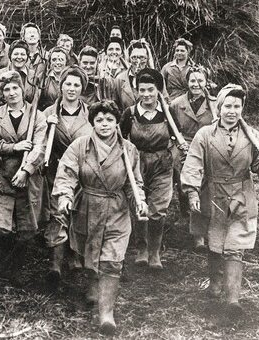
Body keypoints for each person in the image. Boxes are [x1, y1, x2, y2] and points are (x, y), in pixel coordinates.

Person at [181, 84, 259, 320]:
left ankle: (233, 299)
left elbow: (257, 163)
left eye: (237, 106)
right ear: (219, 107)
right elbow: (193, 164)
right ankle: (215, 282)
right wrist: (192, 192)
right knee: (215, 244)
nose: (232, 111)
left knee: (235, 249)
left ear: (242, 108)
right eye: (228, 106)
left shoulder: (252, 135)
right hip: (213, 194)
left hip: (241, 195)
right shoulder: (205, 135)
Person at [52, 99, 147, 335]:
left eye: (110, 120)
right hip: (87, 208)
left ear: (117, 123)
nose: (104, 124)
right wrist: (64, 196)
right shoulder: (80, 146)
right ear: (92, 122)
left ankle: (106, 314)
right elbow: (67, 173)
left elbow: (134, 184)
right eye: (99, 120)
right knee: (89, 253)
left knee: (112, 261)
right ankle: (92, 283)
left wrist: (140, 201)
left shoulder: (129, 150)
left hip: (116, 209)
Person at [0, 71, 47, 287]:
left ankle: (14, 271)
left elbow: (40, 146)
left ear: (23, 89)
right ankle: (3, 268)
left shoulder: (37, 115)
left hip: (28, 177)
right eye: (6, 89)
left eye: (15, 88)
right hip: (2, 175)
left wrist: (26, 170)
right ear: (2, 93)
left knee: (27, 229)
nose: (11, 92)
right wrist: (14, 147)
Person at [119, 68, 180, 270]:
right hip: (137, 163)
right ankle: (141, 249)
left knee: (158, 208)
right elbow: (120, 138)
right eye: (142, 90)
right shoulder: (130, 114)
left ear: (158, 91)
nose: (146, 94)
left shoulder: (168, 114)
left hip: (162, 163)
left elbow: (177, 138)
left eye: (151, 90)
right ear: (136, 91)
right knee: (140, 205)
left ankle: (155, 251)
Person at [41, 66, 93, 288]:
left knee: (79, 213)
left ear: (82, 88)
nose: (72, 88)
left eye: (76, 85)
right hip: (56, 170)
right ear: (60, 86)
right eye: (68, 84)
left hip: (83, 171)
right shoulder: (48, 113)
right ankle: (55, 264)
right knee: (57, 213)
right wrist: (46, 128)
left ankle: (75, 257)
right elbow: (40, 143)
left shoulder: (91, 113)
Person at [170, 66, 214, 250]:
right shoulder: (176, 104)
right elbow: (172, 130)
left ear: (206, 82)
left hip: (207, 148)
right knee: (187, 187)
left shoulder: (214, 103)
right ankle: (189, 222)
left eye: (200, 80)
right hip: (184, 147)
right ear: (187, 82)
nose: (196, 84)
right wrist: (179, 145)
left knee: (205, 189)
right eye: (193, 81)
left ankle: (201, 235)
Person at [107, 40, 150, 112]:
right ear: (129, 59)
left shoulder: (156, 77)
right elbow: (115, 106)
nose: (138, 61)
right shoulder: (119, 79)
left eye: (142, 57)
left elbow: (164, 101)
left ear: (147, 59)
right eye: (134, 57)